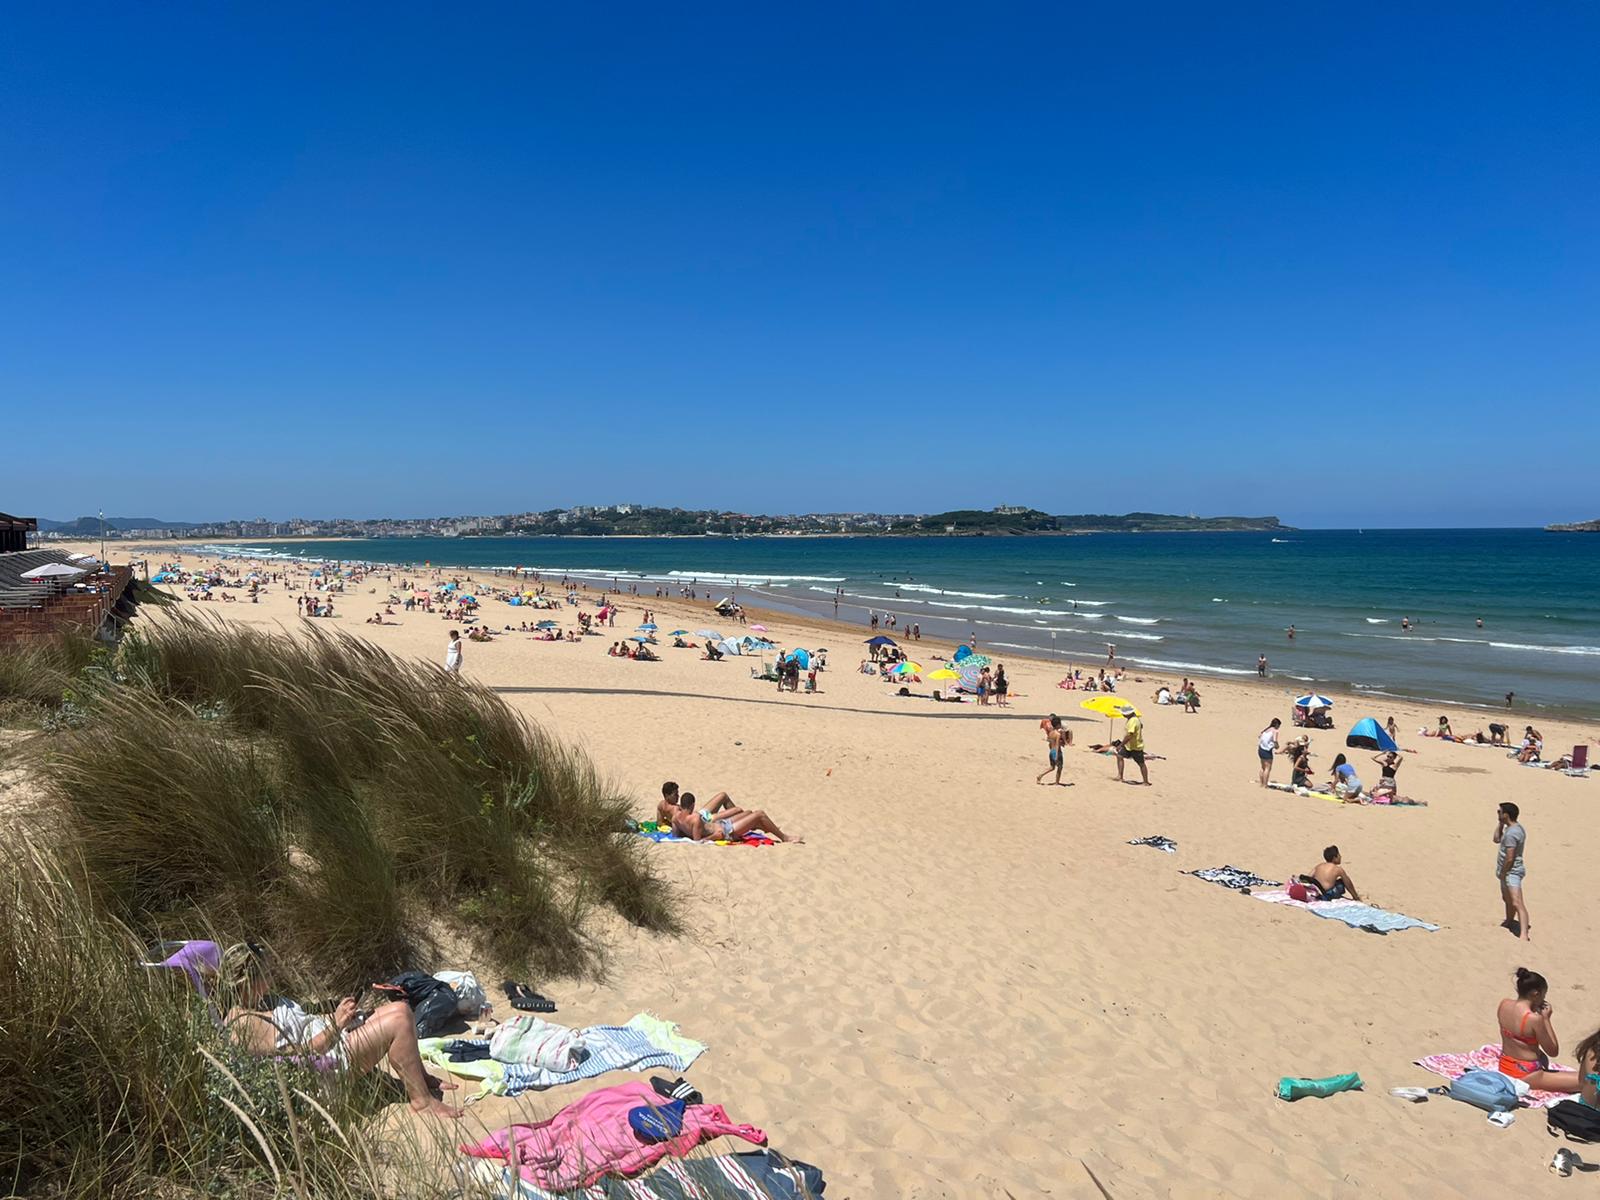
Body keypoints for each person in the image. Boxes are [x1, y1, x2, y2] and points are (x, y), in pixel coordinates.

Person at [218, 943, 460, 1119]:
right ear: (248, 980)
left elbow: (303, 1022)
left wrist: (341, 1017)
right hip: (324, 1068)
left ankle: (421, 1078)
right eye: (266, 973)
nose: (272, 977)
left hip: (332, 1037)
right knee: (398, 1023)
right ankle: (422, 1101)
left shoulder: (263, 1000)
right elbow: (301, 1056)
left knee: (400, 1008)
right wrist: (336, 1025)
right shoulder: (243, 1024)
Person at [1494, 968, 1581, 1092]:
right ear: (1536, 994)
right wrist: (1546, 1019)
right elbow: (1553, 1050)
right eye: (1543, 995)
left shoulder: (1504, 1004)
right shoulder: (1533, 1019)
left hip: (1505, 1064)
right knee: (1584, 1082)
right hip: (1526, 1074)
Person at [670, 790, 800, 843]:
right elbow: (698, 841)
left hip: (721, 825)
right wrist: (711, 837)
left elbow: (676, 835)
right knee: (759, 814)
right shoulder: (696, 818)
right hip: (726, 831)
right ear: (692, 805)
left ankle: (767, 827)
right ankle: (784, 837)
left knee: (748, 813)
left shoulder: (676, 817)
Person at [1494, 802, 1531, 941]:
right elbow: (1496, 839)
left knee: (1517, 902)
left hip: (1511, 872)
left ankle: (1524, 934)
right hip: (1506, 871)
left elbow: (1510, 857)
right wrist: (1500, 824)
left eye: (1500, 812)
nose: (1498, 814)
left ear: (1506, 815)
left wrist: (1504, 872)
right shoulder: (1511, 828)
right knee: (1507, 899)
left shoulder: (1513, 833)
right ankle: (1509, 921)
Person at [1294, 845, 1361, 901]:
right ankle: (1355, 897)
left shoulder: (1319, 866)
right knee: (1342, 882)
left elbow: (1309, 877)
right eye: (1339, 855)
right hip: (1327, 895)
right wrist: (1355, 896)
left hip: (1317, 892)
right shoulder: (1338, 869)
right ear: (1335, 858)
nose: (1341, 857)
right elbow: (1348, 884)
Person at [1035, 716, 1071, 786]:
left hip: (1051, 751)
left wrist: (1052, 751)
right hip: (1057, 752)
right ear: (1058, 725)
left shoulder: (1050, 733)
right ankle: (1057, 782)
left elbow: (1050, 743)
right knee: (1060, 767)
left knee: (1052, 767)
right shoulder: (1058, 734)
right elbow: (1057, 745)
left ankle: (1040, 775)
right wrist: (1056, 755)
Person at [1115, 712, 1150, 785]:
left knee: (1141, 763)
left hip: (1135, 746)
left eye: (1124, 714)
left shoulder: (1133, 721)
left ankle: (1145, 781)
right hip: (1129, 745)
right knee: (1119, 756)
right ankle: (1120, 776)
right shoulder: (1135, 719)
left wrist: (1121, 745)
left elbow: (1130, 735)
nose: (1123, 715)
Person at [1257, 718, 1281, 787]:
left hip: (1260, 749)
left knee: (1263, 767)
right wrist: (1277, 746)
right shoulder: (1275, 731)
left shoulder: (1266, 730)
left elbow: (1260, 737)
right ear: (1276, 725)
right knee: (1268, 768)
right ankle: (1265, 784)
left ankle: (1261, 783)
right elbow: (1275, 741)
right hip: (1267, 750)